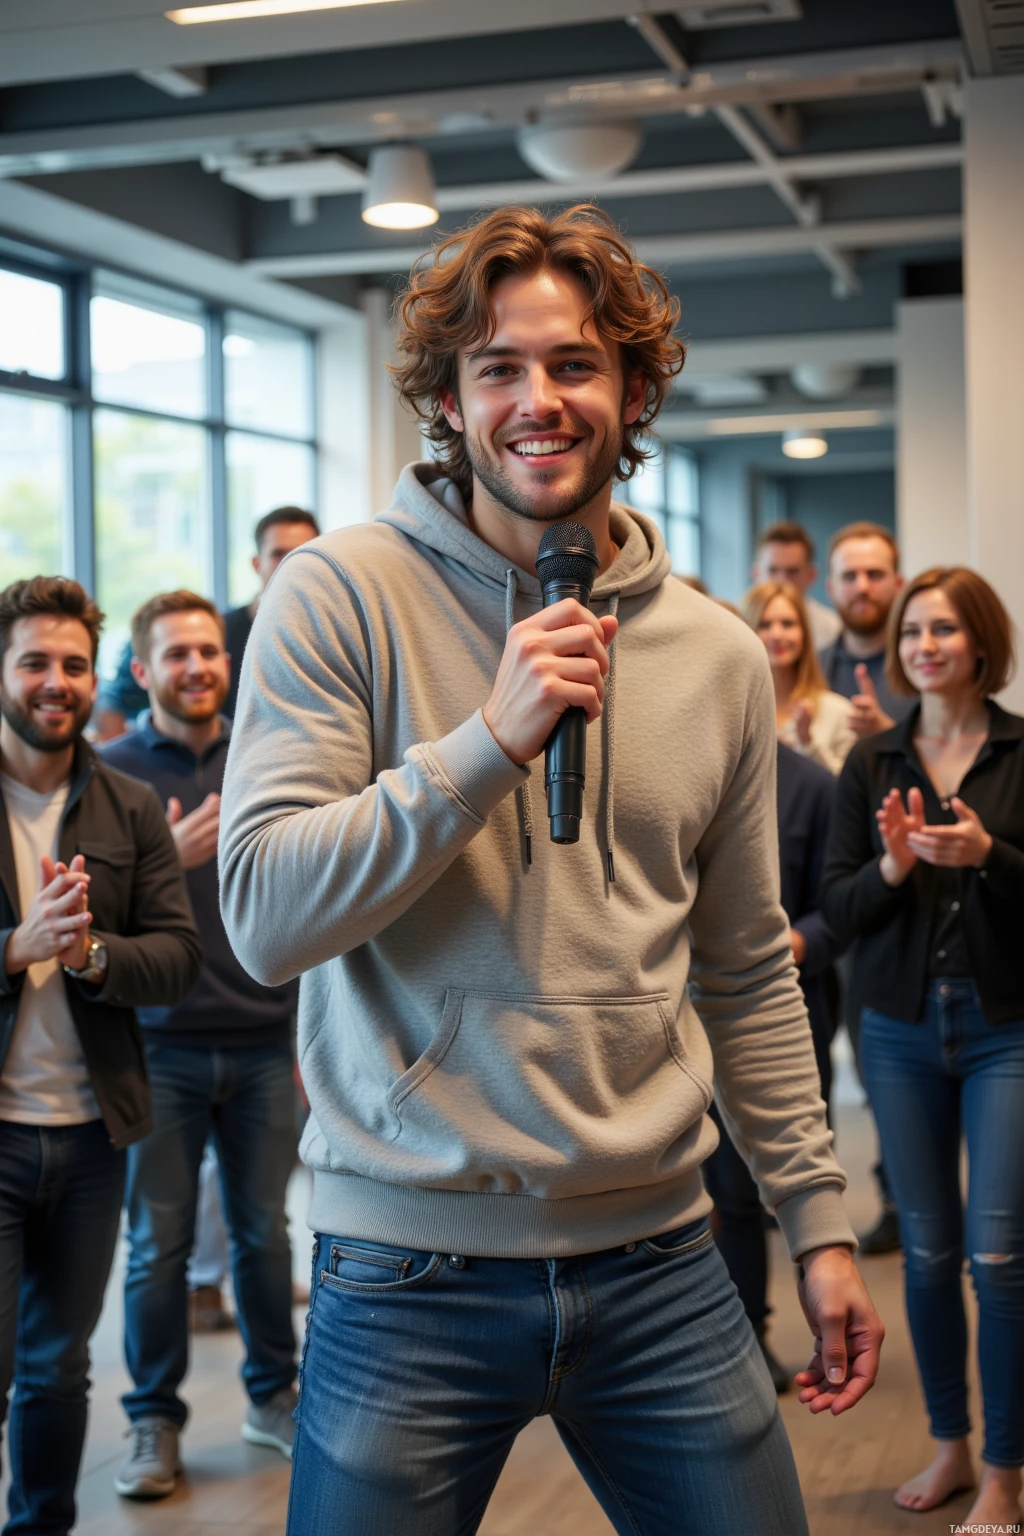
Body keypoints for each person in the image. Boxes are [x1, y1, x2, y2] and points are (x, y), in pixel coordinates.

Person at [219, 203, 883, 1536]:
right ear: (451, 402)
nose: (538, 400)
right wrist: (484, 746)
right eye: (497, 369)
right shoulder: (338, 595)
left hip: (660, 1258)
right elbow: (265, 918)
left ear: (632, 387)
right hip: (406, 1262)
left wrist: (815, 1220)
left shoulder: (714, 654)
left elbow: (747, 968)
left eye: (574, 364)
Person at [821, 565, 1024, 1529]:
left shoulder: (1023, 752)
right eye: (911, 634)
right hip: (898, 1031)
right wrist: (897, 866)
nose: (923, 647)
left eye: (942, 630)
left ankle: (1007, 1470)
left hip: (1005, 1029)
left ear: (981, 642)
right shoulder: (874, 763)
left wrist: (993, 858)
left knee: (1000, 1254)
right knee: (931, 1255)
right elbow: (840, 907)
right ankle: (950, 1448)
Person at [0, 576, 201, 1536]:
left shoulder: (128, 804)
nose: (55, 682)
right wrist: (15, 948)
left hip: (91, 1135)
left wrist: (87, 955)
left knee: (58, 1366)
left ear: (96, 678)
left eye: (72, 665)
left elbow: (176, 959)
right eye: (35, 662)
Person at [100, 591, 300, 1499]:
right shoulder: (108, 776)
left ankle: (275, 1398)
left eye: (209, 652)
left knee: (266, 1238)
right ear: (144, 671)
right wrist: (163, 860)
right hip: (159, 1049)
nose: (197, 666)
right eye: (175, 654)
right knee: (159, 1247)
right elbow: (83, 927)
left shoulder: (269, 748)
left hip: (265, 1039)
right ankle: (152, 1422)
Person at [703, 740, 845, 1396]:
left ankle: (750, 1335)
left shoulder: (813, 785)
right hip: (669, 1023)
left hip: (766, 1007)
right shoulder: (685, 761)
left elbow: (838, 908)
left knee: (739, 1192)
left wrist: (798, 943)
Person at [818, 520, 916, 1255]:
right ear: (832, 584)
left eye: (875, 574)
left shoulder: (921, 667)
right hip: (831, 892)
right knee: (832, 1055)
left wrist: (890, 736)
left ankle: (902, 1198)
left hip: (907, 907)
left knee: (896, 1061)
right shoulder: (810, 671)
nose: (862, 588)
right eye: (850, 575)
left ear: (896, 580)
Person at [90, 505, 320, 739]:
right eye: (279, 554)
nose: (292, 566)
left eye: (303, 554)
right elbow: (117, 697)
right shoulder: (217, 634)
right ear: (256, 563)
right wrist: (118, 764)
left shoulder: (333, 638)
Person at [743, 580, 856, 774]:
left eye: (788, 624)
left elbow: (847, 792)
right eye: (764, 624)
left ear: (804, 633)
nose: (777, 634)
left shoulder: (839, 713)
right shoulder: (734, 713)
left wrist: (808, 745)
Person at [752, 520, 841, 651]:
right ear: (756, 574)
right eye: (773, 570)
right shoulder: (736, 624)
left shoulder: (833, 630)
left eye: (792, 572)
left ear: (811, 575)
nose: (781, 581)